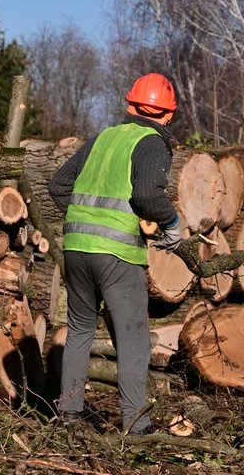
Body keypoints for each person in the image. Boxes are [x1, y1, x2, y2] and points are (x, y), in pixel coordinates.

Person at [47, 72, 182, 436]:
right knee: (133, 335)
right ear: (168, 115)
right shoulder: (153, 143)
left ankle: (70, 416)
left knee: (79, 329)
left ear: (130, 104)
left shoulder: (103, 137)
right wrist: (171, 223)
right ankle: (136, 426)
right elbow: (148, 196)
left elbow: (57, 184)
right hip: (118, 256)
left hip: (76, 248)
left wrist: (84, 221)